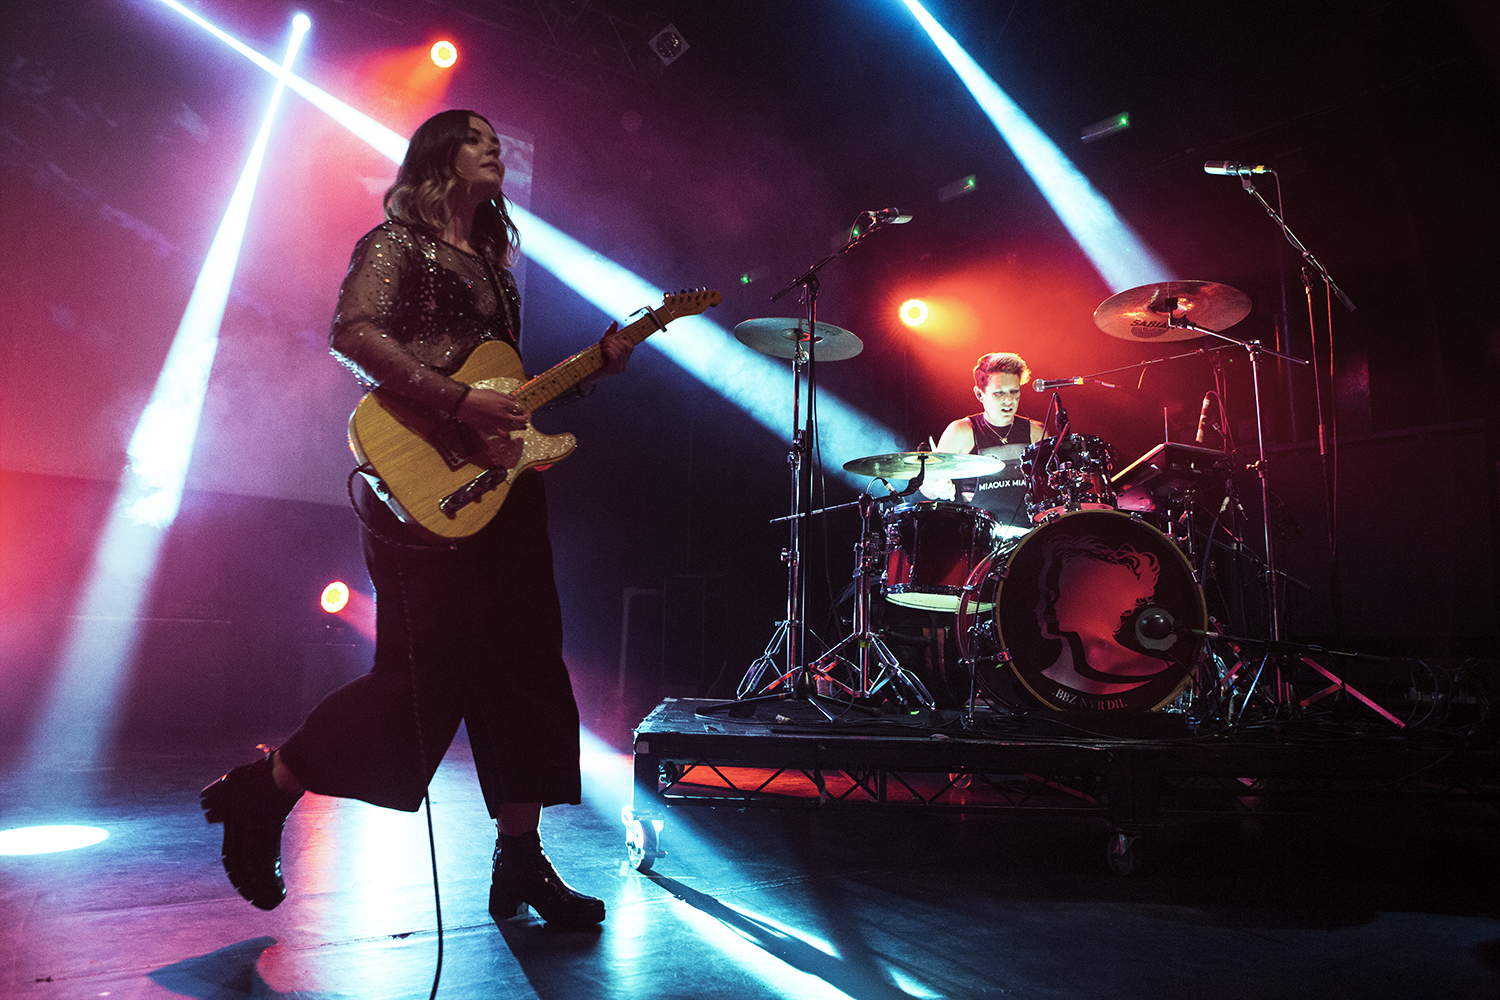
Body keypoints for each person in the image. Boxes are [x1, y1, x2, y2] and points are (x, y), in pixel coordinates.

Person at [200, 109, 633, 930]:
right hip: (418, 494)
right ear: (440, 158)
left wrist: (590, 372)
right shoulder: (396, 244)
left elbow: (504, 396)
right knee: (419, 685)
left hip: (503, 493)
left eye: (499, 139)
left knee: (528, 671)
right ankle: (268, 787)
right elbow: (352, 333)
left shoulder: (499, 268)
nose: (496, 147)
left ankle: (522, 863)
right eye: (478, 138)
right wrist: (458, 400)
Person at [922, 352, 1045, 536]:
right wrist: (938, 488)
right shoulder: (962, 431)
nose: (1008, 400)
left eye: (1014, 391)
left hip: (1029, 536)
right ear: (979, 394)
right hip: (979, 538)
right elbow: (927, 486)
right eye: (999, 393)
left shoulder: (1036, 431)